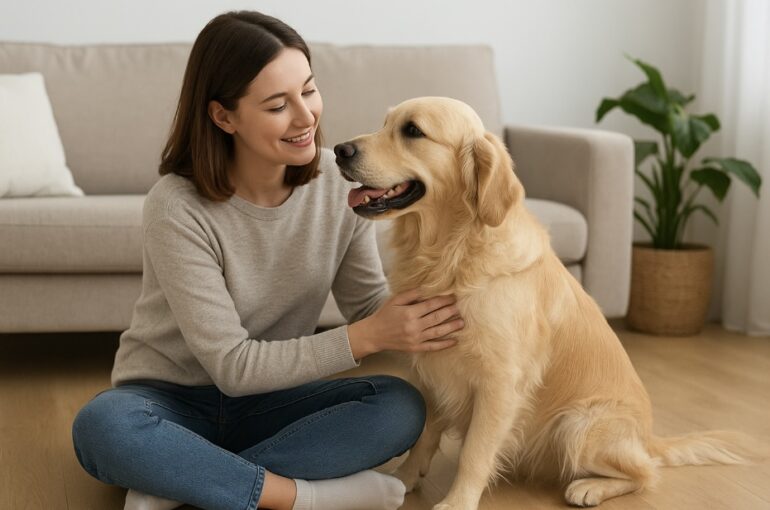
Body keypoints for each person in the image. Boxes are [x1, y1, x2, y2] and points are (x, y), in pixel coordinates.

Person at [71, 10, 464, 510]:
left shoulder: (335, 183)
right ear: (224, 116)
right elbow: (233, 366)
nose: (306, 117)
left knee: (399, 406)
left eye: (309, 89)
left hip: (275, 401)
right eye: (279, 105)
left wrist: (458, 305)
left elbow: (369, 307)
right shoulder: (176, 205)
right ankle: (300, 497)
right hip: (168, 401)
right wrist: (369, 336)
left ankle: (184, 479)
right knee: (102, 428)